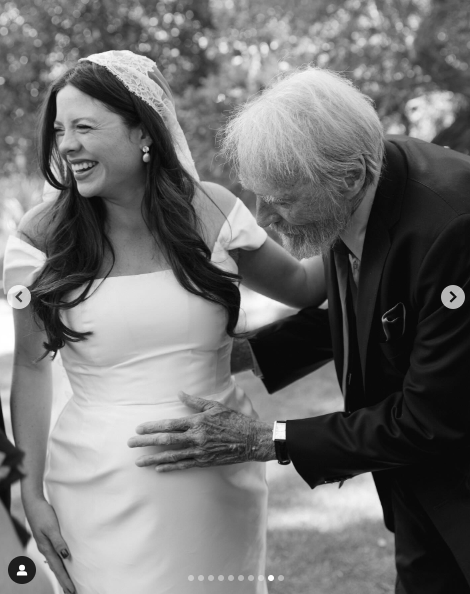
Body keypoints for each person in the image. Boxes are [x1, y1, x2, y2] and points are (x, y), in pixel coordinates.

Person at [128, 67, 470, 593]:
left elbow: (427, 420)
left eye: (281, 200)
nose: (265, 219)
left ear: (350, 177)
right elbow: (374, 309)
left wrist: (269, 440)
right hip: (417, 488)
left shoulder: (451, 230)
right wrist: (243, 354)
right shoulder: (351, 181)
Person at [3, 51, 324, 594]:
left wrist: (377, 228)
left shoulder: (214, 211)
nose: (66, 145)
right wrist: (31, 494)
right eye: (59, 130)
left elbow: (306, 287)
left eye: (84, 127)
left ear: (143, 133)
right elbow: (32, 368)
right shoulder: (40, 240)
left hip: (217, 477)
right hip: (96, 487)